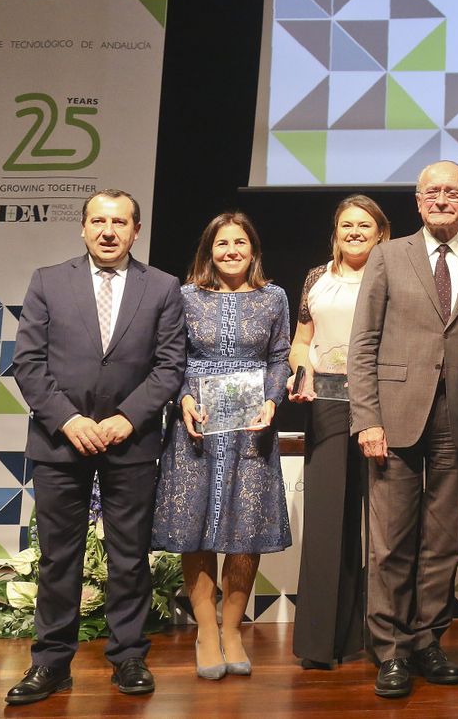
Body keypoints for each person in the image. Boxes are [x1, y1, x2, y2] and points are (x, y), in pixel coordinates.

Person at [5, 190, 187, 705]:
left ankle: (128, 656)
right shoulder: (48, 281)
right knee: (58, 559)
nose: (109, 231)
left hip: (130, 440)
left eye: (120, 222)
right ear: (83, 228)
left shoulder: (163, 287)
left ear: (136, 230)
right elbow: (28, 363)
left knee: (130, 557)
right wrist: (69, 420)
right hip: (61, 441)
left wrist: (128, 417)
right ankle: (50, 665)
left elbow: (170, 366)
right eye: (99, 221)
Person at [348, 161, 458, 699]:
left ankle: (426, 641)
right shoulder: (388, 256)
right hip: (394, 418)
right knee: (390, 543)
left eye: (452, 192)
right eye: (432, 191)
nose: (442, 199)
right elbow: (363, 344)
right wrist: (366, 419)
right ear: (418, 202)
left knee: (442, 543)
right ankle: (389, 650)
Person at [151, 212, 292, 680]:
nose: (231, 251)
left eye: (240, 243)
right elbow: (173, 357)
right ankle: (206, 631)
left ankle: (232, 630)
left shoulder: (274, 298)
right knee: (196, 528)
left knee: (244, 530)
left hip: (251, 428)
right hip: (197, 427)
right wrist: (185, 396)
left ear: (253, 250)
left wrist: (273, 402)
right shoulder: (186, 296)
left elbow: (279, 358)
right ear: (208, 250)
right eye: (221, 243)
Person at [287, 195, 392, 669]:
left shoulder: (394, 273)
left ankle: (374, 639)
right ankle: (320, 643)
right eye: (346, 224)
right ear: (336, 231)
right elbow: (301, 342)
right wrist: (299, 371)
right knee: (329, 522)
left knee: (383, 527)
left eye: (364, 225)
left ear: (380, 232)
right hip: (326, 407)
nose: (354, 232)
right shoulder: (316, 278)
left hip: (383, 407)